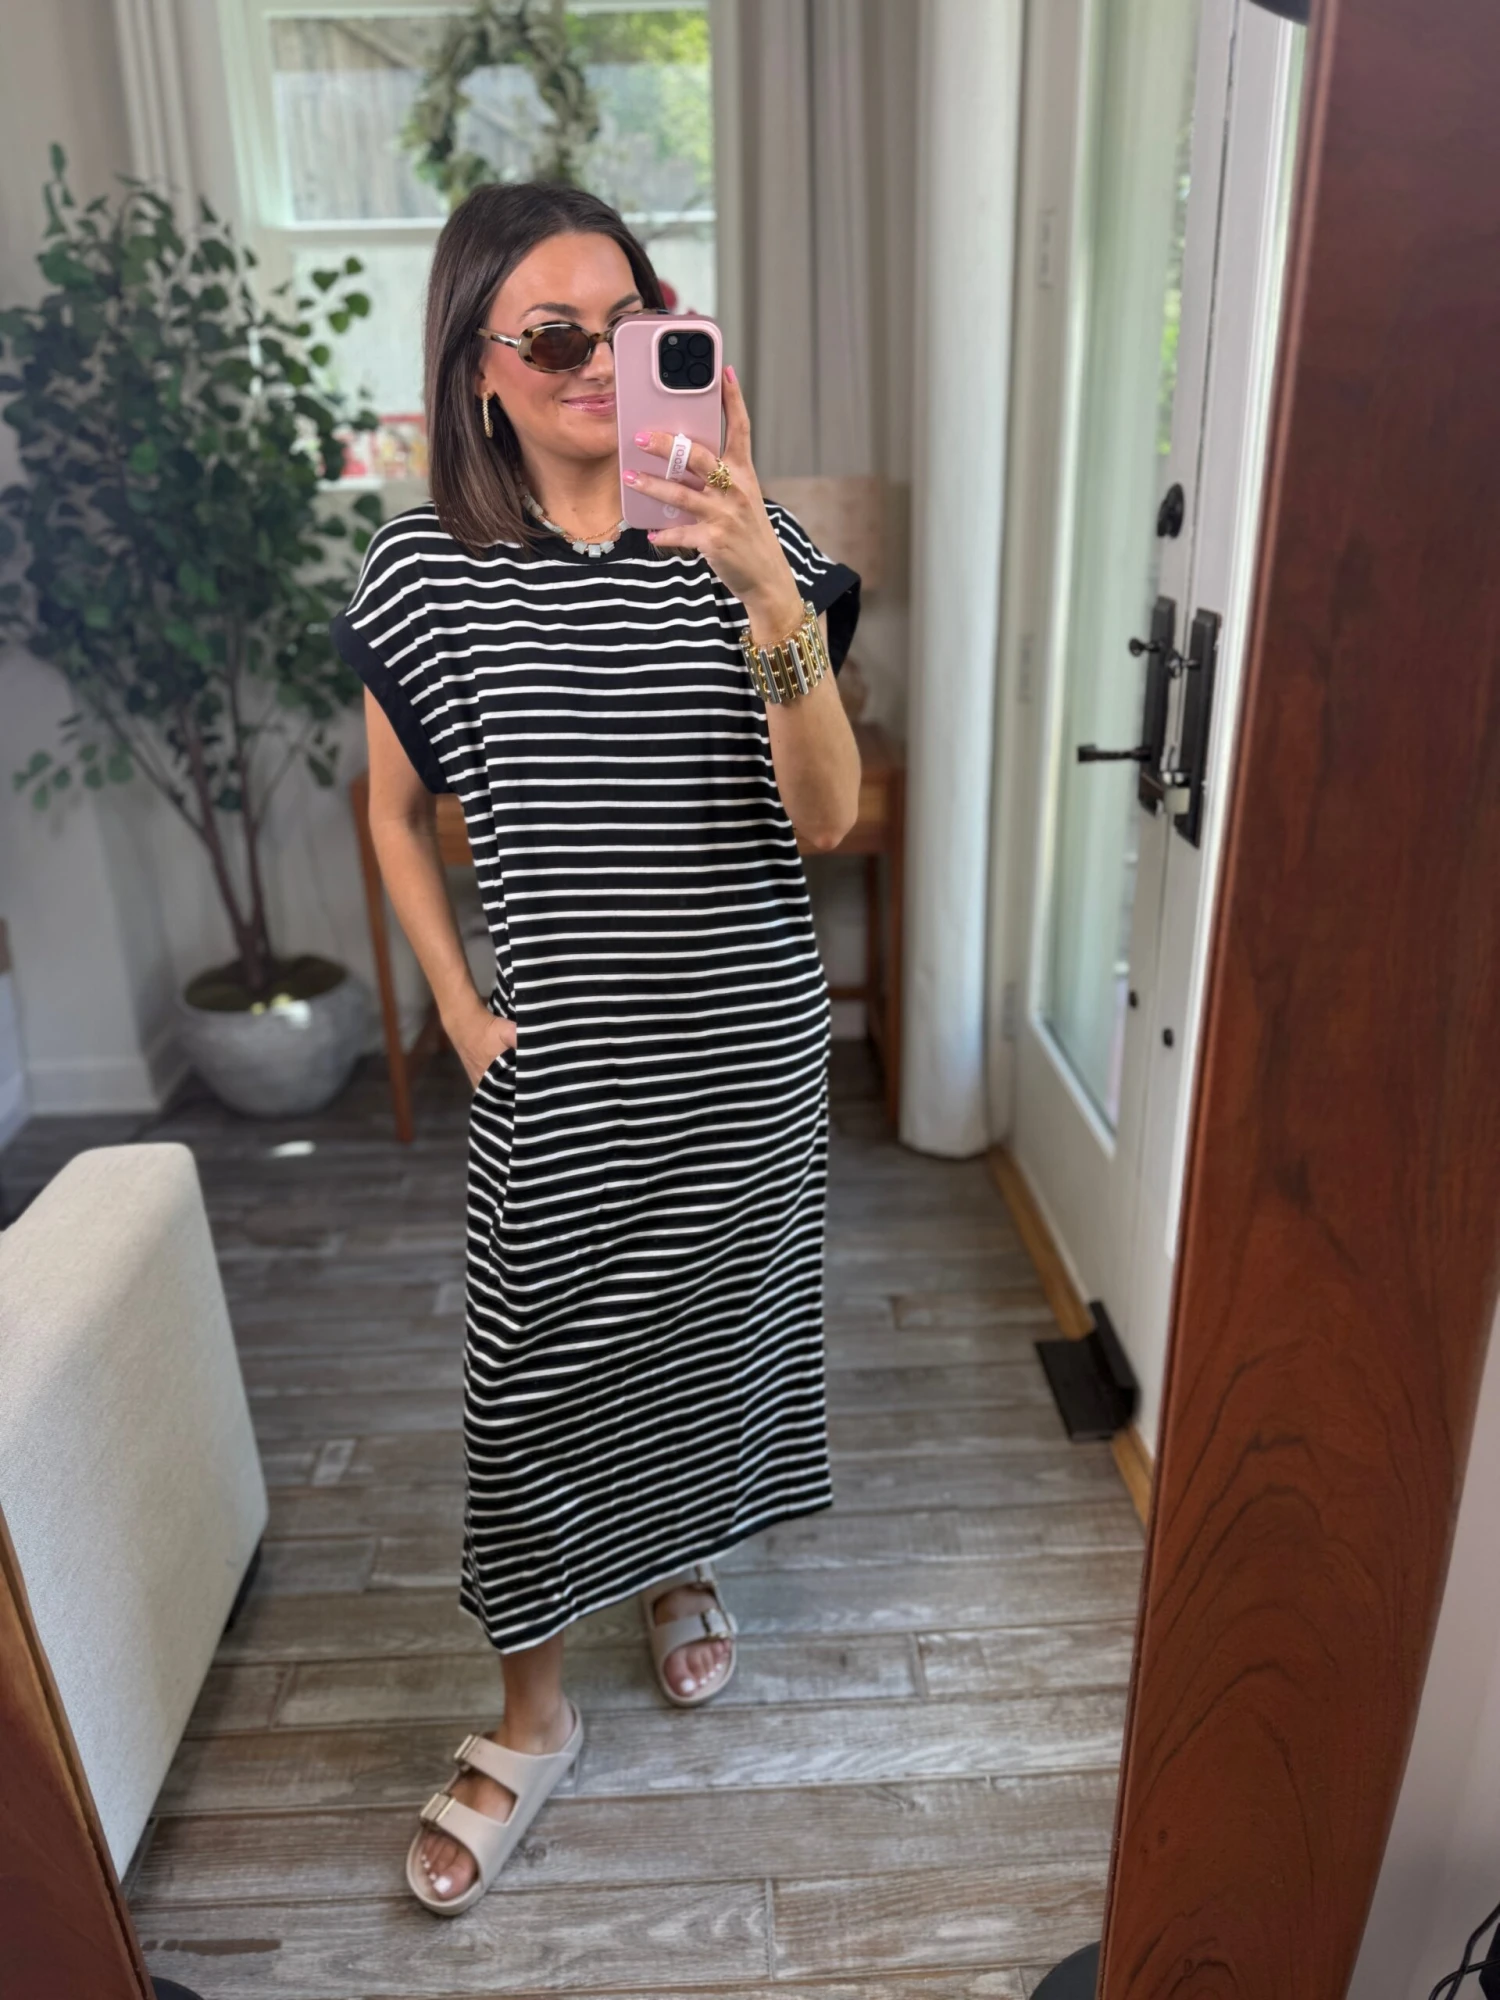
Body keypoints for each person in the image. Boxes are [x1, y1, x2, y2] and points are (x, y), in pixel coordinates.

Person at [331, 180, 862, 1917]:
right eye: (551, 333)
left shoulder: (748, 543)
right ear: (478, 370)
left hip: (745, 1058)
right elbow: (391, 810)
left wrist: (759, 575)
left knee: (703, 1344)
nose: (592, 361)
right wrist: (456, 1006)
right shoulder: (425, 571)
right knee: (530, 1385)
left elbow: (829, 817)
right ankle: (533, 1716)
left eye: (629, 325)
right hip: (560, 1071)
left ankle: (677, 1557)